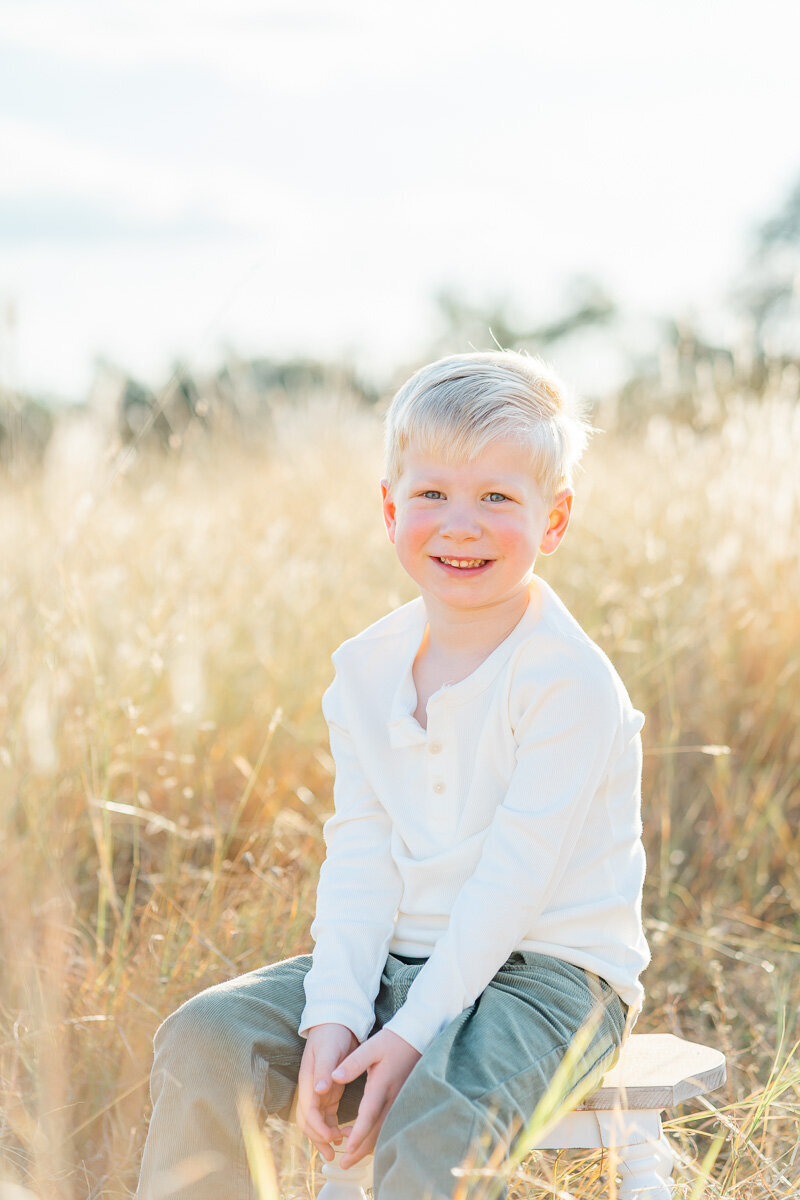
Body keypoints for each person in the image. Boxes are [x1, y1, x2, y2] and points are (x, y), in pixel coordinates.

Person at [136, 350, 650, 1200]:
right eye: (432, 495)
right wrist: (335, 1011)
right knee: (206, 1037)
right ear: (389, 508)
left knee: (433, 1100)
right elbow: (362, 857)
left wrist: (409, 1036)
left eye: (497, 497)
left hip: (549, 974)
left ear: (553, 519)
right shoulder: (367, 669)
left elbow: (512, 886)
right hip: (395, 962)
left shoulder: (568, 681)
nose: (461, 524)